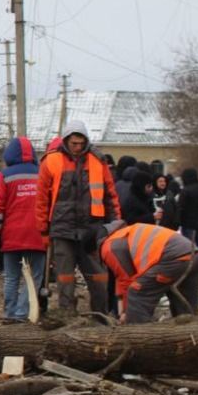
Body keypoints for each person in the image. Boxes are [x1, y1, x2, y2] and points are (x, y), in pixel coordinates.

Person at [36, 119, 120, 314]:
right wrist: (43, 231)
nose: (78, 147)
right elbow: (41, 199)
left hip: (91, 229)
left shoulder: (97, 160)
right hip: (62, 229)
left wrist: (115, 225)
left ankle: (100, 314)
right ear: (66, 140)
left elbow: (110, 195)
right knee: (65, 278)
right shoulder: (51, 161)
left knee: (98, 277)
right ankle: (67, 314)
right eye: (74, 143)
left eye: (81, 144)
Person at [0, 136, 46, 322]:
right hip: (37, 234)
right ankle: (23, 313)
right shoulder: (42, 173)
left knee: (11, 277)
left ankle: (9, 312)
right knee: (34, 277)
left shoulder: (5, 176)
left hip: (11, 235)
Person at [98, 221, 198, 324]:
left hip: (173, 259)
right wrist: (122, 304)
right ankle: (189, 328)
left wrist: (126, 312)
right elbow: (121, 278)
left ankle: (137, 330)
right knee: (183, 301)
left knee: (137, 292)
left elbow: (126, 280)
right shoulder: (125, 233)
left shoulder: (109, 247)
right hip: (194, 254)